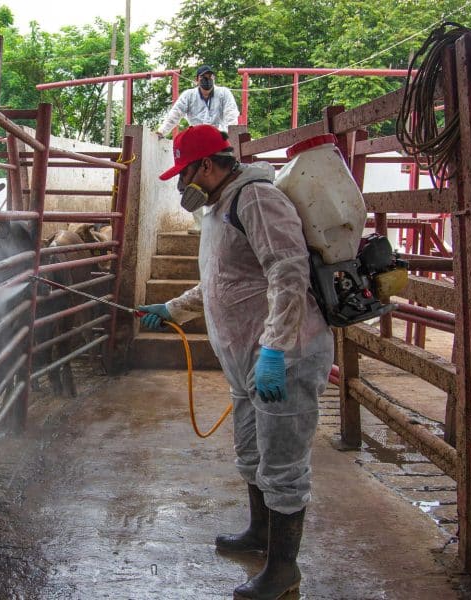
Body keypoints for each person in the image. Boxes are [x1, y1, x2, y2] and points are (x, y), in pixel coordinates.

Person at [138, 125, 333, 600]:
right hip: (245, 357)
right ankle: (260, 533)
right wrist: (174, 308)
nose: (182, 184)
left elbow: (288, 272)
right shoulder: (219, 208)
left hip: (285, 355)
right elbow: (220, 280)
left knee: (283, 464)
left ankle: (283, 571)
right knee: (251, 452)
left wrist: (275, 348)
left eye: (185, 172)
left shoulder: (256, 199)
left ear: (207, 164)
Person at [155, 65, 239, 140]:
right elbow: (175, 114)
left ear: (214, 78)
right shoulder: (188, 96)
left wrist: (230, 137)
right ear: (197, 80)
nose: (207, 79)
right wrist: (161, 132)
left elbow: (231, 115)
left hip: (219, 139)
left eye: (210, 77)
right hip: (197, 140)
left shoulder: (224, 93)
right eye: (203, 77)